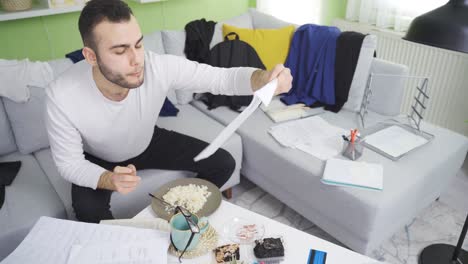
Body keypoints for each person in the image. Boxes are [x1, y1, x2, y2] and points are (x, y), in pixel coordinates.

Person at [45, 0, 292, 223]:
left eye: (138, 45)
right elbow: (69, 163)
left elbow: (220, 78)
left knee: (223, 163)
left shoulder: (157, 65)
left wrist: (263, 77)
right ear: (91, 56)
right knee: (90, 217)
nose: (136, 60)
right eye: (120, 51)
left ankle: (178, 216)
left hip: (147, 140)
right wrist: (109, 179)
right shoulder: (62, 94)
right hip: (98, 159)